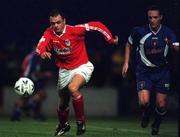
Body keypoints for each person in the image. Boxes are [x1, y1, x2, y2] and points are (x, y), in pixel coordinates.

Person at [35, 9, 119, 136]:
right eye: (53, 23)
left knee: (73, 88)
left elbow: (97, 25)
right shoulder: (49, 32)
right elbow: (40, 46)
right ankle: (64, 125)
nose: (55, 26)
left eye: (58, 22)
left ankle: (81, 122)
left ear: (64, 21)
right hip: (64, 71)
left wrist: (110, 39)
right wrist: (42, 52)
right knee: (63, 103)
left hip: (82, 66)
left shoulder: (75, 30)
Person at [122, 5, 179, 135]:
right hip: (144, 71)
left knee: (161, 105)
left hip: (162, 71)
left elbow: (177, 48)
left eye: (155, 17)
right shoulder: (139, 31)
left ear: (161, 18)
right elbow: (128, 43)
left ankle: (156, 124)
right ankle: (146, 114)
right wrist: (126, 62)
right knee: (144, 102)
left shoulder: (168, 32)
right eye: (150, 17)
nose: (152, 20)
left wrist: (170, 44)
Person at [11, 50, 52, 121]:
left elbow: (24, 67)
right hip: (29, 79)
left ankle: (17, 112)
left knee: (24, 98)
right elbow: (32, 71)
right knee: (41, 94)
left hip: (24, 78)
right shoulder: (35, 56)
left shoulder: (31, 55)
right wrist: (44, 74)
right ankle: (29, 107)